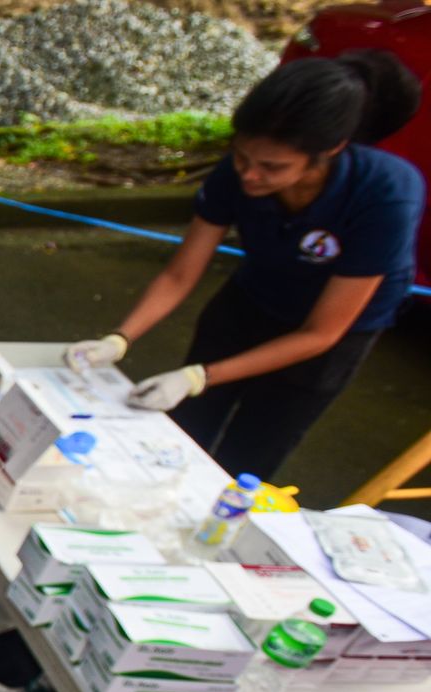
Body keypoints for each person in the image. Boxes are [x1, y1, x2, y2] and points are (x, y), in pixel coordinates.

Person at [66, 51, 424, 478]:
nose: (250, 175)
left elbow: (321, 332)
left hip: (326, 337)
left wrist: (198, 376)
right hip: (253, 296)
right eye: (242, 158)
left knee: (249, 457)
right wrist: (120, 338)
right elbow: (181, 273)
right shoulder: (236, 173)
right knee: (179, 432)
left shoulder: (385, 194)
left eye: (273, 167)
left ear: (330, 150)